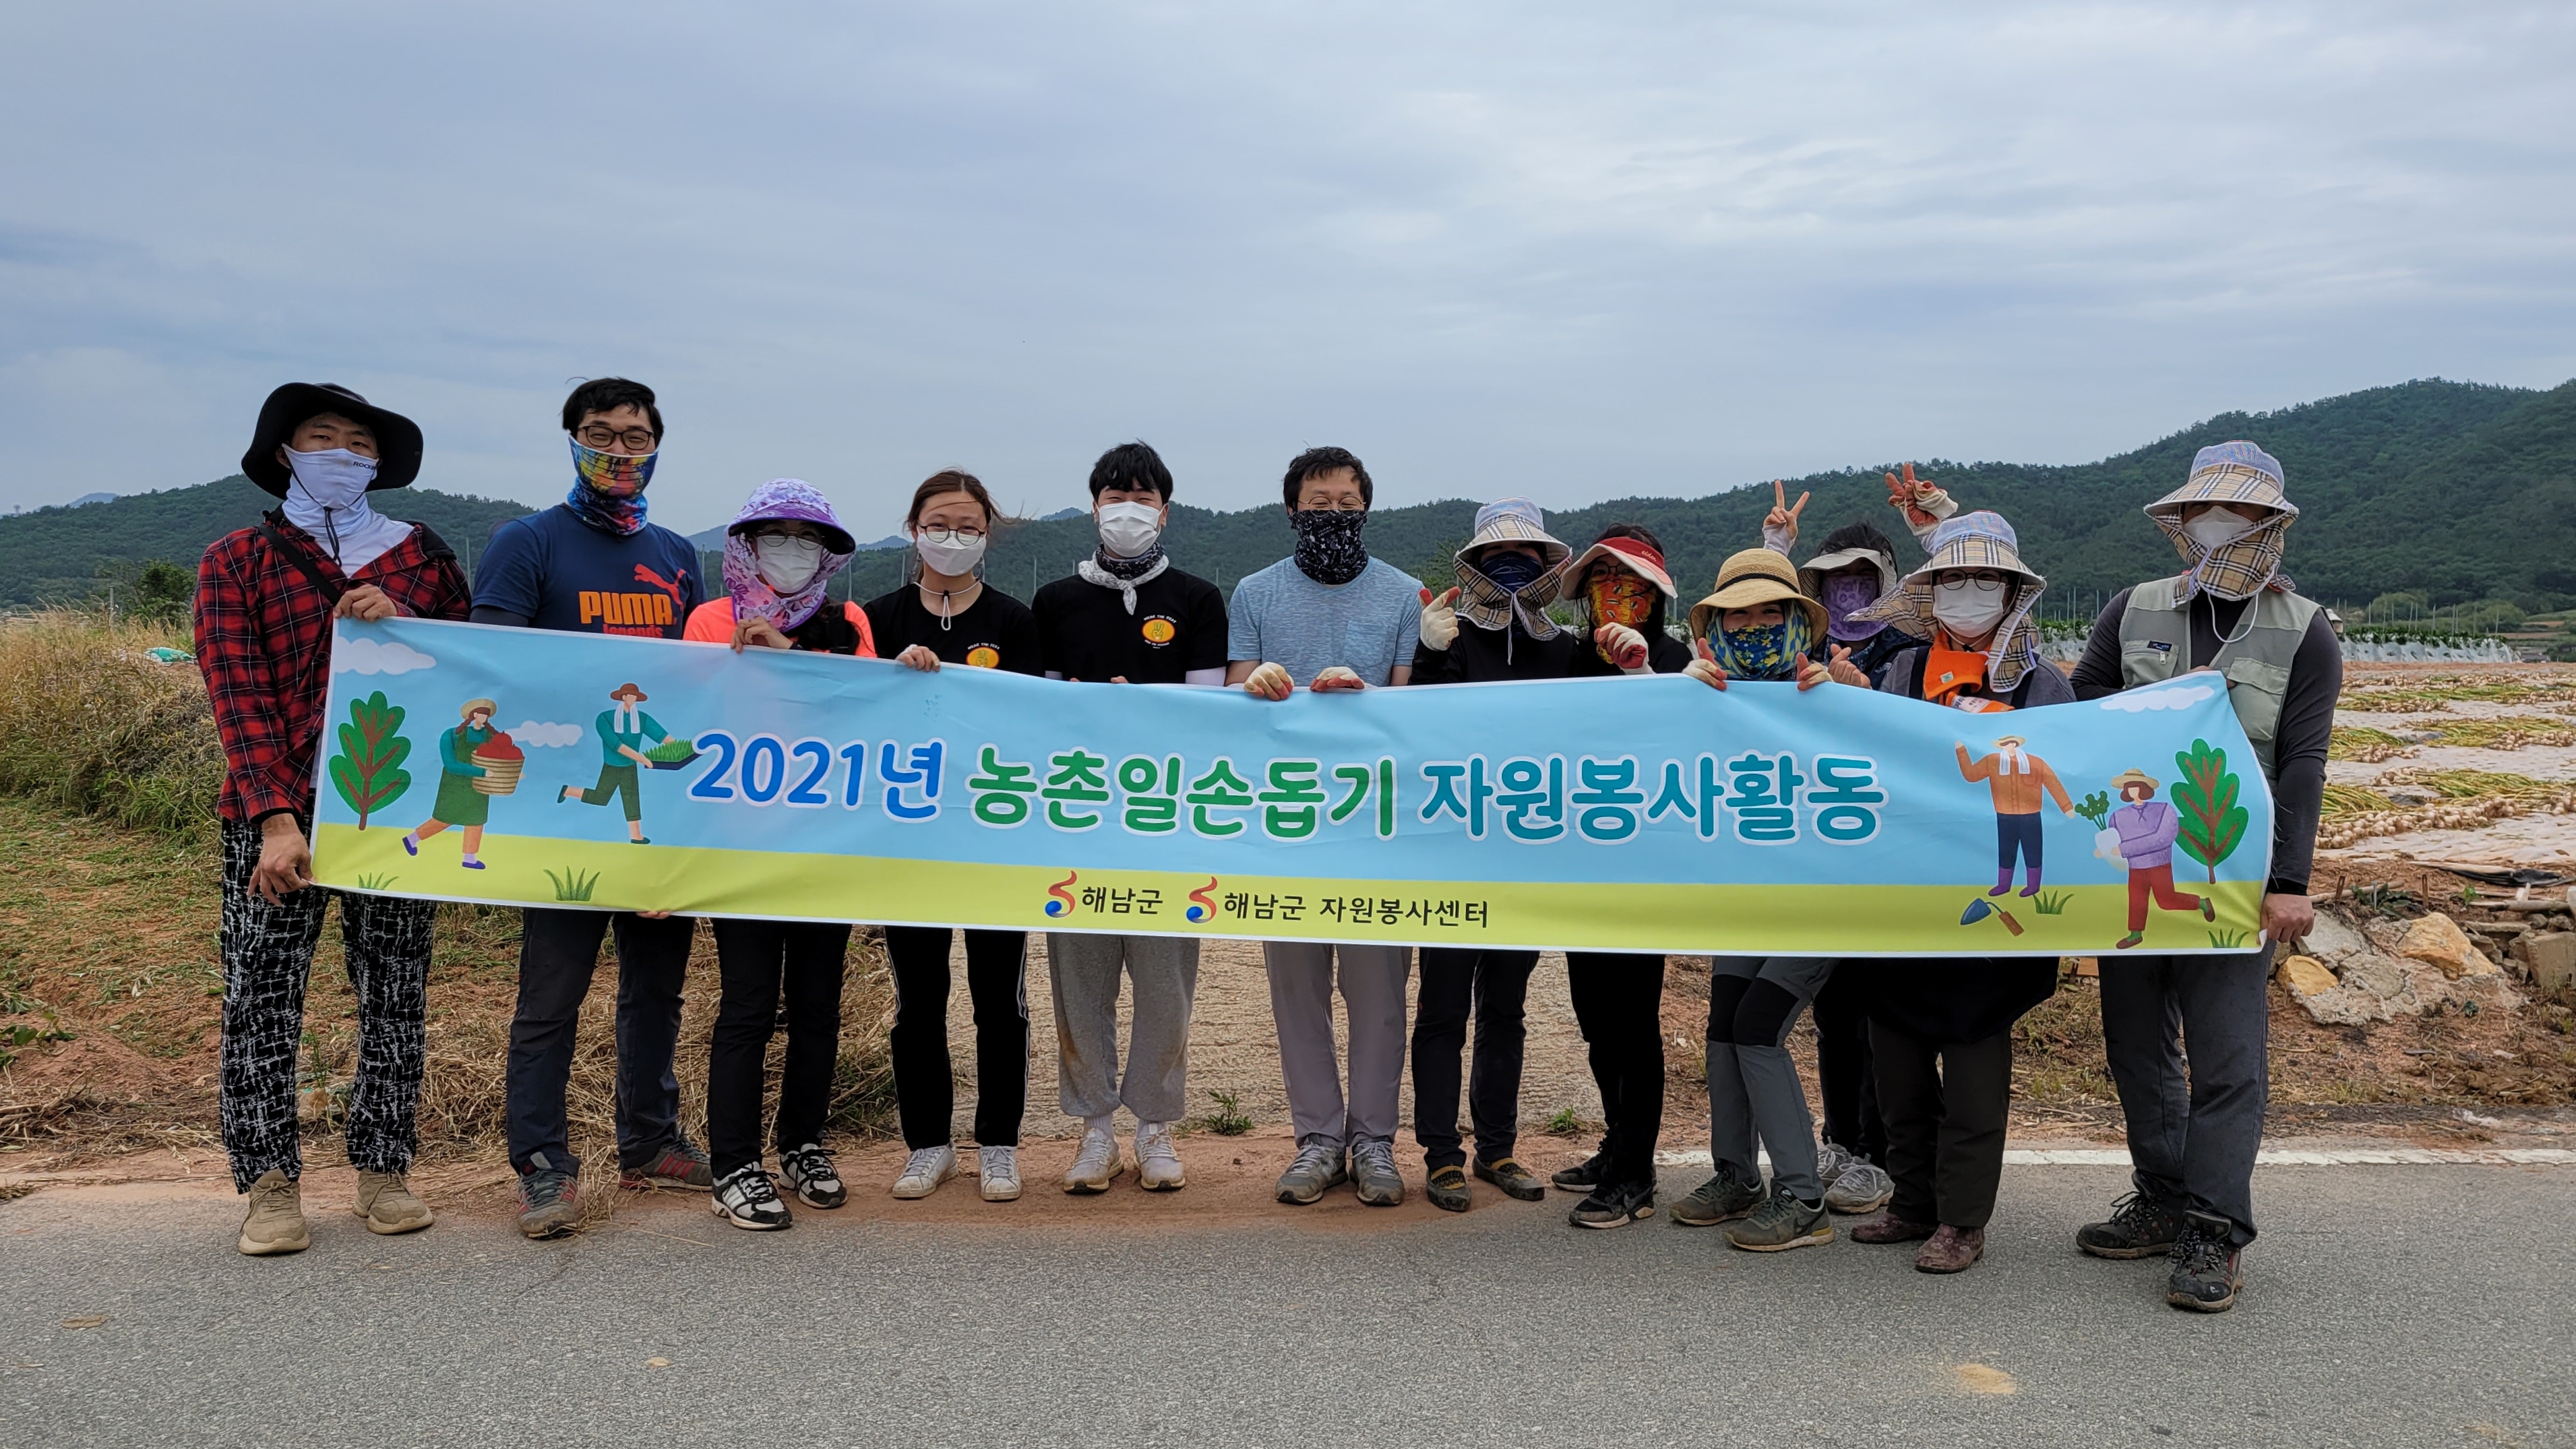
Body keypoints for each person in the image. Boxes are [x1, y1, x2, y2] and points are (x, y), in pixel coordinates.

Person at [195, 381, 472, 1254]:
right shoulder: (236, 560)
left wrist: (408, 621)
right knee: (262, 995)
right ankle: (269, 1183)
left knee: (394, 992)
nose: (342, 454)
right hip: (275, 816)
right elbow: (237, 694)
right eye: (322, 437)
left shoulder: (420, 556)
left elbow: (472, 662)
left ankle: (384, 1168)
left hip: (391, 807)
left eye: (360, 443)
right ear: (284, 451)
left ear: (379, 464)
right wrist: (277, 819)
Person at [2066, 441, 2339, 1313]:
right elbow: (2077, 721)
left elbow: (2302, 762)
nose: (2219, 523)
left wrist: (2289, 879)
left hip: (2235, 876)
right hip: (2138, 867)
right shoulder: (2132, 609)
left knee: (2226, 1055)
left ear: (2269, 523)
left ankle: (2214, 1226)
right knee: (2136, 1044)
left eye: (2238, 511)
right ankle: (2162, 1194)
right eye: (2205, 510)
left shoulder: (2304, 629)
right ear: (2183, 521)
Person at [472, 377, 711, 1238]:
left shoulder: (678, 554)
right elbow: (492, 664)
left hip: (652, 813)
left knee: (657, 990)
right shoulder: (527, 542)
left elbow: (696, 679)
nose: (618, 450)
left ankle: (649, 1140)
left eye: (635, 437)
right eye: (600, 433)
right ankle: (542, 1163)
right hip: (558, 820)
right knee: (551, 995)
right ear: (572, 438)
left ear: (657, 446)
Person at [1838, 510, 2069, 1272]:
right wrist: (1842, 697)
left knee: (1974, 1078)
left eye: (1986, 580)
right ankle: (1913, 1202)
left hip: (1992, 911)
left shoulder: (2043, 685)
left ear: (2011, 593)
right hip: (1906, 903)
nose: (1969, 593)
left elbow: (2068, 781)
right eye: (1953, 579)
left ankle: (1963, 1220)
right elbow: (1869, 761)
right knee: (1898, 1072)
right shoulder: (1900, 674)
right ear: (1930, 593)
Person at [1227, 445, 1423, 1208]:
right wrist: (1259, 685)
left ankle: (1374, 1140)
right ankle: (1317, 1139)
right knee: (1297, 990)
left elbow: (1410, 711)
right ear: (1292, 510)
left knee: (1380, 993)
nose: (1334, 515)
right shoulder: (1255, 593)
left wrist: (1362, 696)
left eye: (1347, 503)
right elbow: (1235, 699)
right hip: (1288, 824)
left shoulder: (1403, 595)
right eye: (1319, 503)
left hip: (1375, 824)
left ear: (1366, 508)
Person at [1030, 442, 1227, 1194]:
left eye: (1143, 498)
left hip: (1166, 820)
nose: (1129, 510)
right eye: (1116, 497)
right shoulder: (1055, 601)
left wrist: (1135, 712)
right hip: (1078, 818)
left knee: (1166, 984)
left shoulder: (1198, 598)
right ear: (1094, 507)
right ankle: (1095, 1131)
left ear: (1164, 512)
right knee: (1080, 982)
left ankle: (1156, 1126)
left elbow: (1206, 713)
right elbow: (1042, 714)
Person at [680, 478, 873, 1230]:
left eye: (807, 538)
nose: (792, 550)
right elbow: (698, 723)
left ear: (827, 553)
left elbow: (862, 713)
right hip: (744, 845)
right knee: (748, 1005)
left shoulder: (847, 620)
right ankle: (734, 1162)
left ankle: (803, 1143)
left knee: (819, 1006)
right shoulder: (709, 620)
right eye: (776, 536)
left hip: (825, 844)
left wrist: (787, 654)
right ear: (746, 544)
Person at [863, 469, 1041, 1202]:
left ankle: (999, 1143)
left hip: (993, 836)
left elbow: (1032, 724)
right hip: (908, 840)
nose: (953, 537)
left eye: (969, 526)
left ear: (987, 535)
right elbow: (854, 718)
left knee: (1000, 1000)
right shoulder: (876, 618)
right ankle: (927, 1144)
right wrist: (893, 681)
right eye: (939, 523)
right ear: (914, 528)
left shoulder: (1015, 620)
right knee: (919, 1000)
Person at [1665, 547, 1848, 1252]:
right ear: (1714, 629)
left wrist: (1847, 699)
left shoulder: (1831, 691)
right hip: (1745, 898)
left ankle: (1802, 1196)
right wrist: (1675, 697)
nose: (1753, 626)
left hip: (1821, 903)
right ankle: (1736, 1175)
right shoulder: (1706, 698)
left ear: (1798, 621)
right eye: (1736, 616)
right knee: (1722, 1029)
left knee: (1757, 1028)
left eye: (1770, 612)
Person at [1405, 499, 1577, 1213]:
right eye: (1497, 555)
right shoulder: (1451, 639)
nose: (1512, 565)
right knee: (1443, 1010)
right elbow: (1416, 731)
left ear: (1546, 566)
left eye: (1527, 556)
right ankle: (1441, 1154)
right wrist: (1427, 654)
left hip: (1526, 859)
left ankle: (1497, 1147)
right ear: (1473, 564)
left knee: (1506, 1008)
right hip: (1451, 855)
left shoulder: (1565, 649)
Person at [1543, 525, 1695, 1229]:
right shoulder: (1571, 658)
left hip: (1646, 873)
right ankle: (1615, 1144)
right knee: (1596, 1019)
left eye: (1630, 580)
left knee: (1634, 1021)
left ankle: (1635, 1172)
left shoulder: (1677, 660)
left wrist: (1643, 674)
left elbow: (1689, 741)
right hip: (1579, 869)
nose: (1615, 591)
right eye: (1602, 579)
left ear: (1655, 593)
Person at [2104, 768, 2215, 950]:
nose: (2133, 790)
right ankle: (2135, 934)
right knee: (2137, 900)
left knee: (2166, 901)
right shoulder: (2117, 816)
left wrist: (2125, 848)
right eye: (2129, 787)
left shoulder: (2164, 810)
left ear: (2144, 787)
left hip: (2159, 865)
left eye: (2136, 786)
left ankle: (2202, 903)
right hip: (2135, 867)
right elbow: (2113, 839)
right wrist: (2108, 848)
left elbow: (2163, 838)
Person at [1955, 731, 2076, 895]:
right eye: (2004, 744)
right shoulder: (1992, 762)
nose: (2008, 746)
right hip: (2005, 816)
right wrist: (1961, 751)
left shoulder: (2035, 762)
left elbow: (2052, 782)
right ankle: (2004, 885)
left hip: (2031, 816)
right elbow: (1971, 775)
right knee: (2006, 851)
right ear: (2001, 746)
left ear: (2016, 744)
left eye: (2010, 743)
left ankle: (2033, 886)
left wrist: (2066, 806)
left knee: (2033, 851)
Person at [557, 683, 671, 843]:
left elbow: (661, 735)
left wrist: (679, 749)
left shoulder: (641, 719)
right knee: (600, 798)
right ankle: (569, 790)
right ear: (623, 697)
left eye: (636, 697)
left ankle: (636, 836)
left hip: (630, 766)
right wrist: (642, 759)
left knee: (632, 799)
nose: (633, 699)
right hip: (612, 765)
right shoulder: (604, 718)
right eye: (631, 696)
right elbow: (617, 745)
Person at [403, 699, 504, 869]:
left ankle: (469, 858)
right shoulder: (450, 735)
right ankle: (412, 839)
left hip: (479, 785)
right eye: (480, 713)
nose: (483, 717)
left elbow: (501, 758)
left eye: (486, 714)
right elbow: (451, 764)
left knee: (476, 819)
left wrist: (510, 772)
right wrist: (482, 772)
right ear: (473, 715)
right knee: (445, 818)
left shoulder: (491, 737)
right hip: (455, 783)